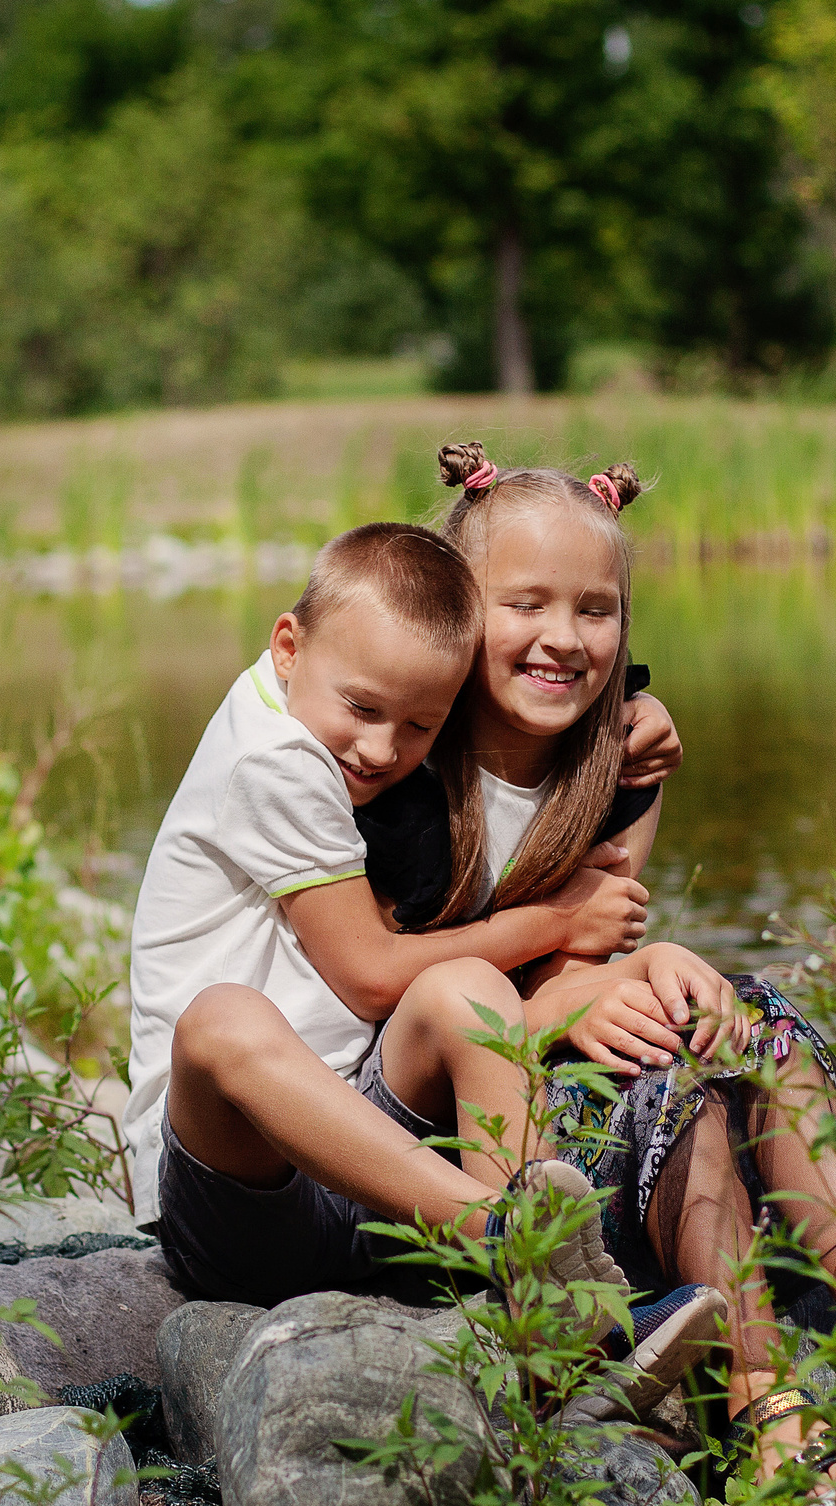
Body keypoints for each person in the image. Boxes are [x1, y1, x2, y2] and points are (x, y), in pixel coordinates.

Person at [354, 443, 836, 1506]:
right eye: (525, 603)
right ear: (455, 610)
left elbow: (595, 953)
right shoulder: (399, 768)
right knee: (665, 1078)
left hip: (544, 1055)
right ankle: (762, 1408)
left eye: (596, 609)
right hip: (451, 1133)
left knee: (745, 1018)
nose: (563, 638)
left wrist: (652, 967)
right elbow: (405, 992)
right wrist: (572, 994)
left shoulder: (620, 756)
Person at [121, 519, 725, 1410]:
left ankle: (549, 1321)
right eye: (363, 711)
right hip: (241, 1194)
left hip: (381, 1168)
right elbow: (368, 975)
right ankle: (518, 1242)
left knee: (465, 992)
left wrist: (629, 734)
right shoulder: (270, 758)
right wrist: (553, 919)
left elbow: (505, 785)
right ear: (287, 645)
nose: (381, 750)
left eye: (419, 727)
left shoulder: (341, 714)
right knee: (222, 1020)